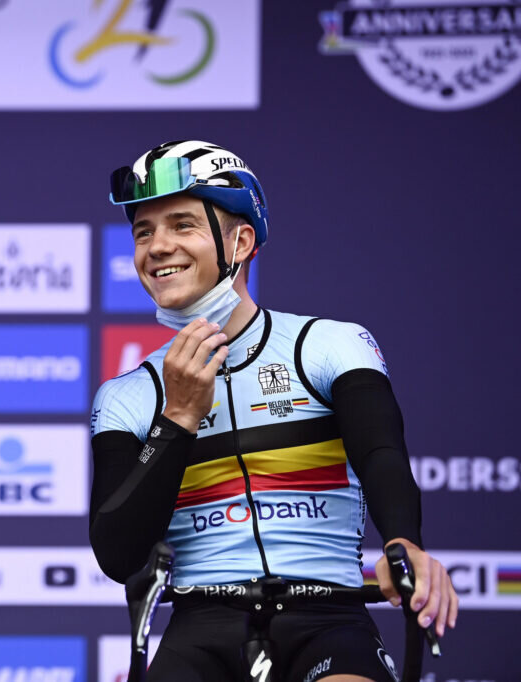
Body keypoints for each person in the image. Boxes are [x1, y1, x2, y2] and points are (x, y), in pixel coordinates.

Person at [88, 140, 458, 681]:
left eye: (182, 224)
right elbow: (118, 554)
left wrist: (404, 542)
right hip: (201, 625)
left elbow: (381, 454)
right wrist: (179, 418)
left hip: (327, 616)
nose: (157, 247)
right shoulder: (126, 394)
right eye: (143, 231)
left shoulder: (330, 344)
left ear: (240, 241)